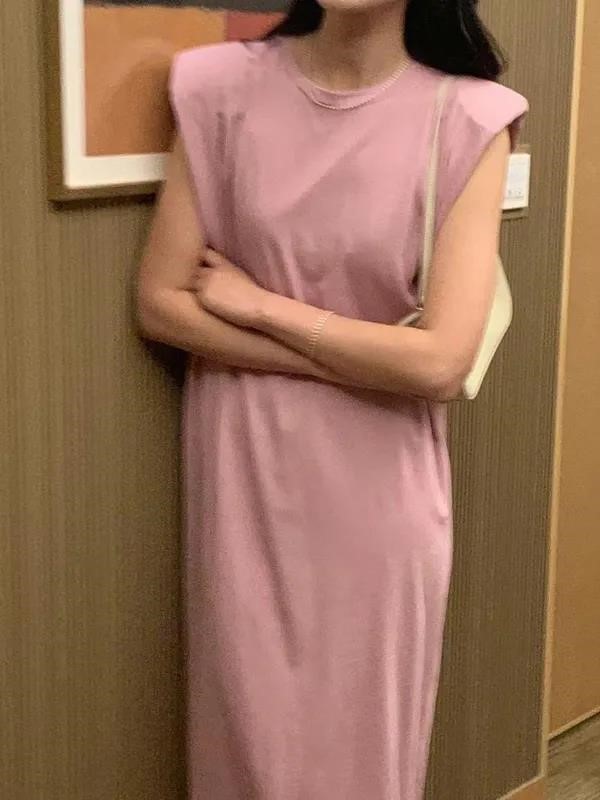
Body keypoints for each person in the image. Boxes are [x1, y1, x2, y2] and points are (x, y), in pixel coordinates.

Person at [137, 0, 528, 796]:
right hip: (247, 481)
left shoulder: (470, 119)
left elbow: (441, 364)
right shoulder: (215, 88)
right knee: (245, 747)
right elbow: (162, 305)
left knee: (364, 756)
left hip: (379, 498)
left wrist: (262, 308)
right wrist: (367, 356)